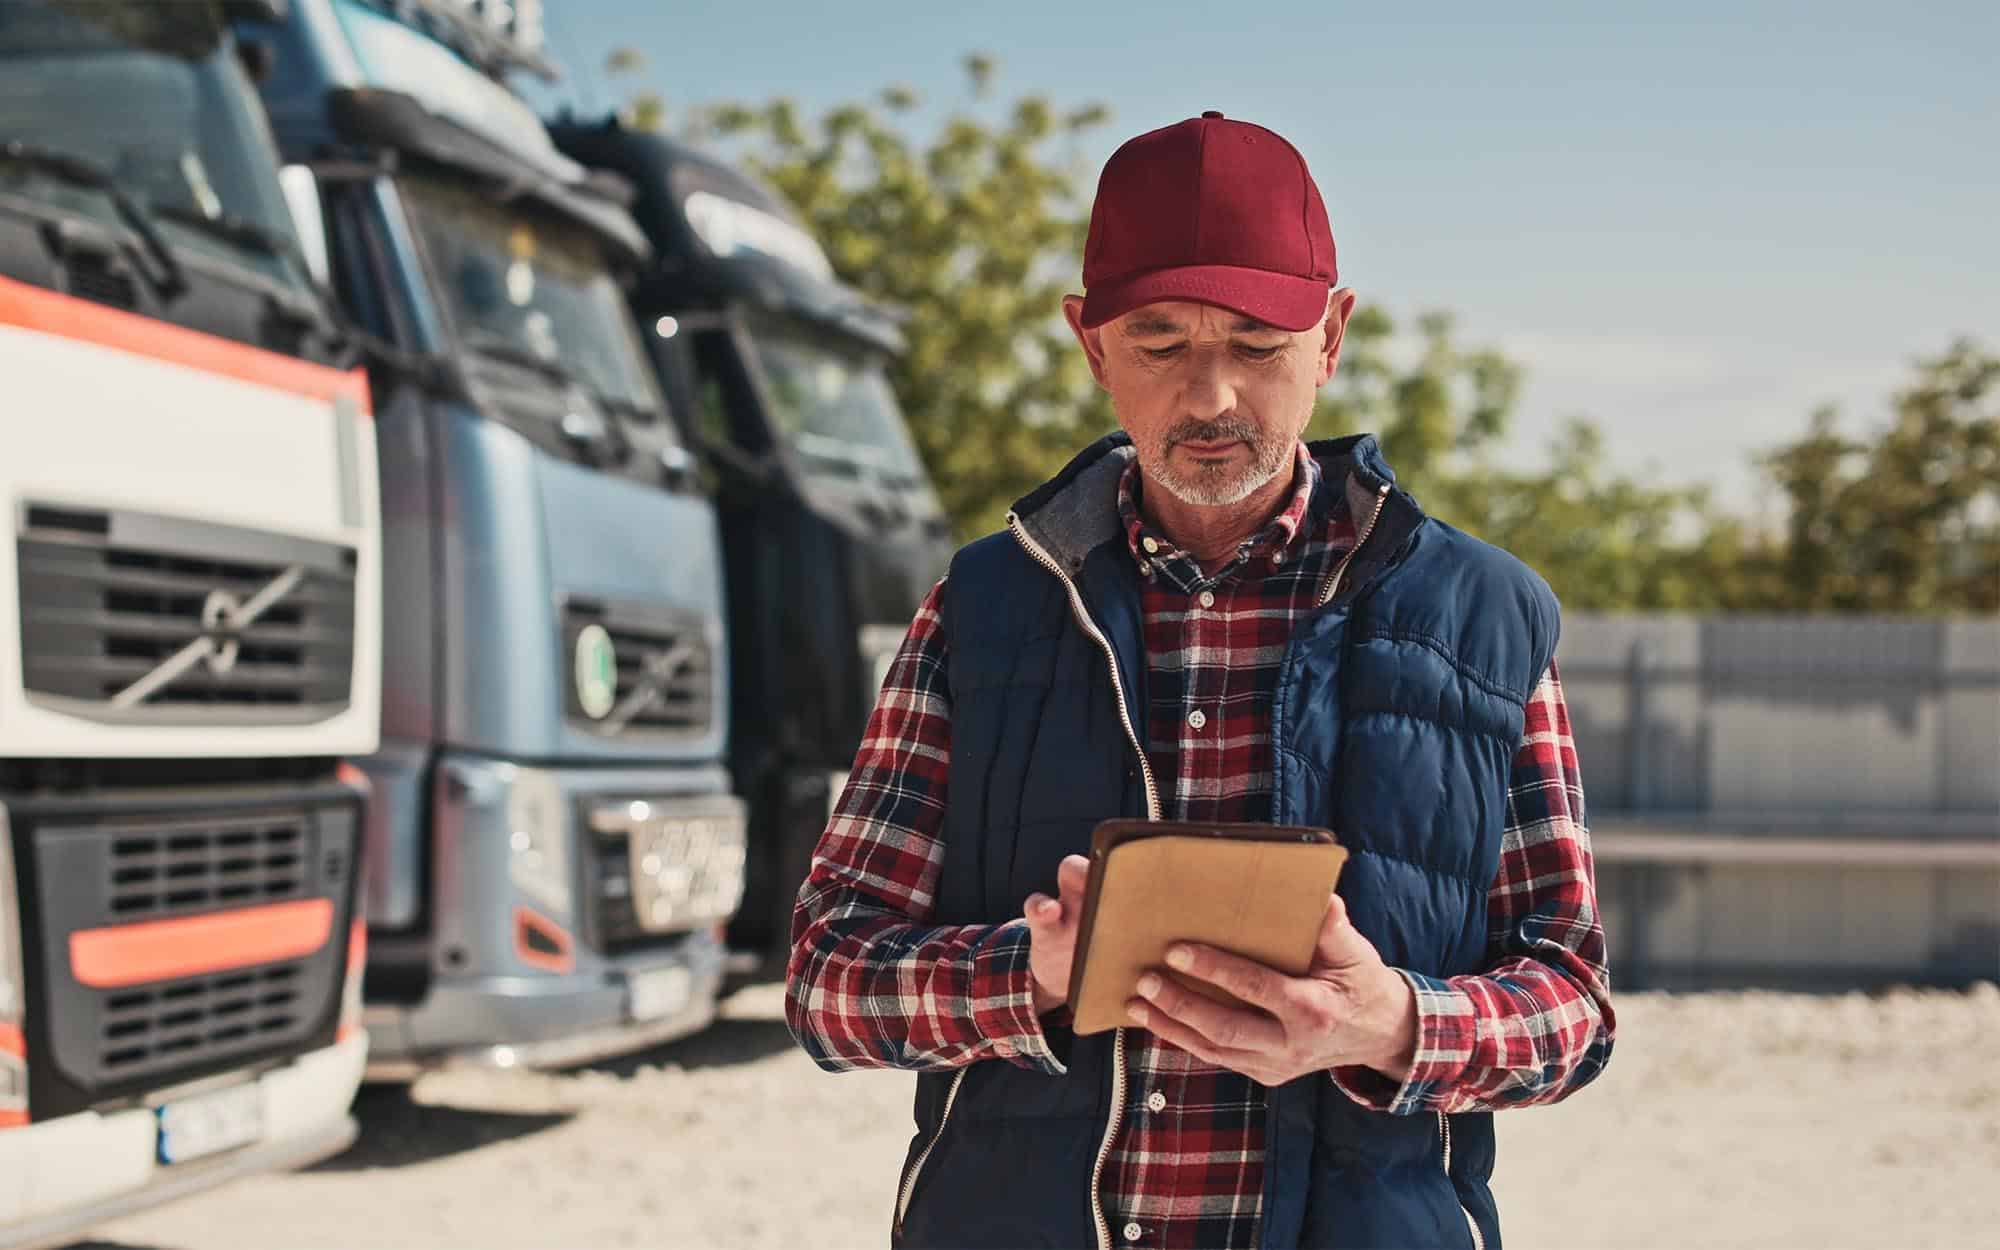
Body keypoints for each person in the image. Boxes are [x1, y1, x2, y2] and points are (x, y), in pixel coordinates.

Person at [785, 110, 1615, 1250]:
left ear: (1330, 337)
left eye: (1257, 344)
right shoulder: (977, 610)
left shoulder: (1483, 618)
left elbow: (1571, 1005)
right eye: (1161, 342)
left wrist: (1388, 1023)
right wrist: (1028, 972)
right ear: (1088, 342)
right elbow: (827, 979)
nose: (1212, 395)